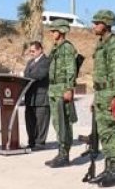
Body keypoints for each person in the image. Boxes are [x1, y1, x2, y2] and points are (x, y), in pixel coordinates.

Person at [89, 10, 115, 186]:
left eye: (97, 23)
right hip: (100, 94)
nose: (94, 26)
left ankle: (114, 171)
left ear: (106, 24)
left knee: (112, 132)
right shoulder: (101, 43)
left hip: (110, 94)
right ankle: (108, 167)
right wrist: (95, 98)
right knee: (104, 134)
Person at [45, 19, 78, 167]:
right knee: (57, 123)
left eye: (54, 31)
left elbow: (71, 69)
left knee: (64, 123)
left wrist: (69, 88)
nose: (52, 33)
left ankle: (64, 155)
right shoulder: (56, 47)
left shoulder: (67, 48)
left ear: (61, 31)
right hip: (53, 89)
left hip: (62, 89)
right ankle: (61, 152)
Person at [22, 41, 51, 149]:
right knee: (30, 120)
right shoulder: (30, 62)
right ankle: (31, 142)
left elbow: (39, 75)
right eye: (30, 51)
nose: (31, 53)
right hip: (30, 97)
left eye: (33, 51)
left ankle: (39, 143)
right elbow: (26, 74)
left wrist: (27, 75)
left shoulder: (46, 61)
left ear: (40, 50)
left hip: (41, 97)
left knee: (41, 121)